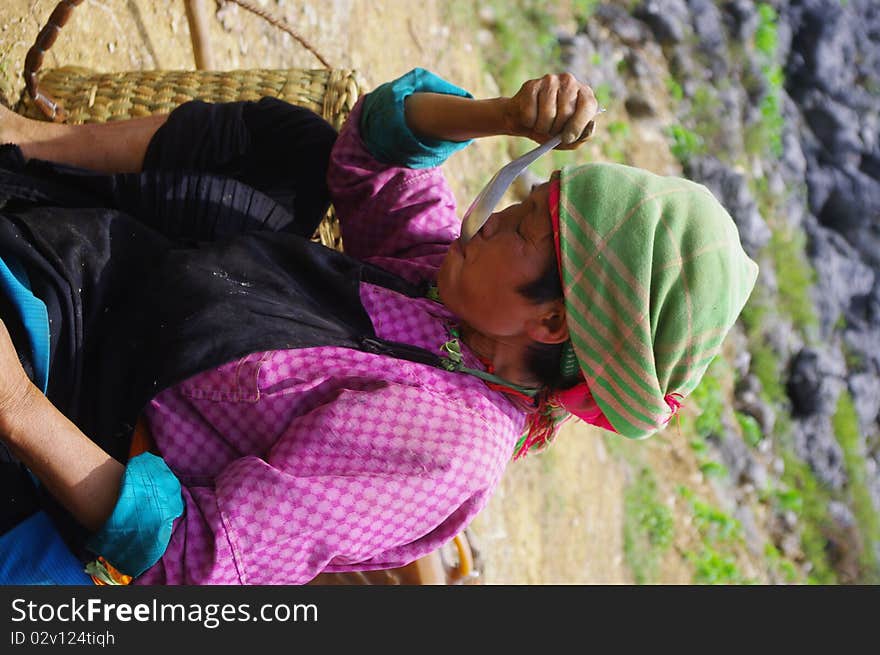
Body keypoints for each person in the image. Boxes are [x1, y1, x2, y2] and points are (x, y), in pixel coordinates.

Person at [0, 67, 758, 585]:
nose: (489, 219)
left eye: (522, 228)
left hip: (85, 417)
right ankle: (21, 142)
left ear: (554, 320)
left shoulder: (447, 441)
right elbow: (374, 148)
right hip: (119, 289)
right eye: (520, 200)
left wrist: (20, 409)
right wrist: (500, 114)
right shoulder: (451, 295)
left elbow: (196, 556)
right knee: (297, 148)